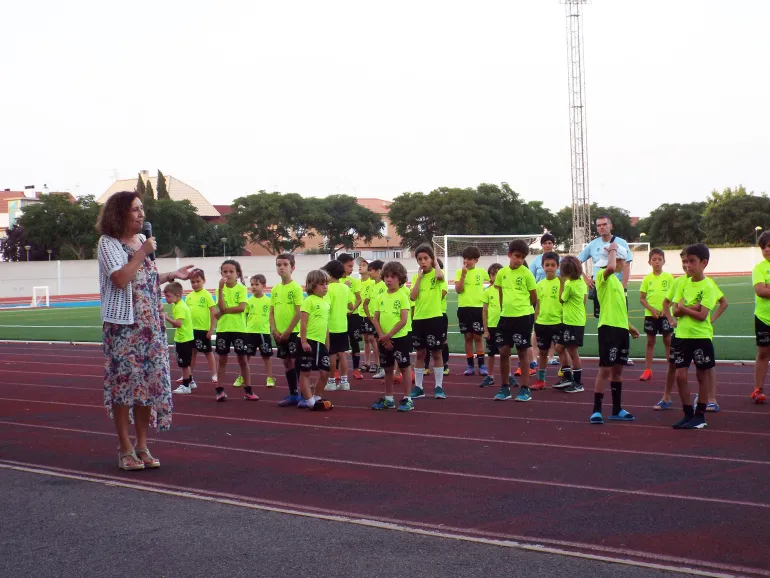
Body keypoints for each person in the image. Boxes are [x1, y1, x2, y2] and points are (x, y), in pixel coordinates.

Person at [97, 190, 193, 471]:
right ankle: (124, 448)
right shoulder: (109, 243)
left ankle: (142, 445)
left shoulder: (141, 241)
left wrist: (170, 276)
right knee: (124, 386)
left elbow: (145, 278)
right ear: (120, 213)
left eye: (142, 209)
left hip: (151, 326)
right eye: (136, 209)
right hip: (124, 327)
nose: (142, 214)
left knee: (148, 386)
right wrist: (142, 252)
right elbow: (120, 278)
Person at [590, 243, 640, 424]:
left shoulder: (618, 284)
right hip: (608, 329)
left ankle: (617, 409)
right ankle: (596, 410)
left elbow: (619, 309)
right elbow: (610, 267)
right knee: (605, 369)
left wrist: (629, 326)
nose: (624, 264)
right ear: (617, 259)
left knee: (618, 370)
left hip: (620, 330)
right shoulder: (602, 276)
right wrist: (611, 249)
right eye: (623, 260)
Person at [670, 243, 718, 429]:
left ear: (704, 262)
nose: (687, 265)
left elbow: (702, 315)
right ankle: (687, 413)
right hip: (682, 336)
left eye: (692, 261)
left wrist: (685, 308)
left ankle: (700, 415)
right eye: (685, 262)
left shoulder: (708, 286)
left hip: (701, 336)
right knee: (680, 376)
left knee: (701, 375)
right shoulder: (682, 282)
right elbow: (675, 310)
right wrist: (692, 306)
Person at [578, 215, 635, 365]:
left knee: (622, 318)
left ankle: (623, 352)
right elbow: (577, 261)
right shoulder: (593, 244)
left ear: (611, 226)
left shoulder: (621, 243)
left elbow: (627, 265)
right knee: (603, 319)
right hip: (601, 288)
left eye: (604, 224)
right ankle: (606, 351)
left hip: (617, 288)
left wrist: (623, 286)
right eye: (599, 225)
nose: (601, 227)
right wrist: (586, 279)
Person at [493, 239, 537, 402]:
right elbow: (501, 295)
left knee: (522, 351)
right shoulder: (502, 273)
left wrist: (524, 310)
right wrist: (506, 309)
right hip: (506, 317)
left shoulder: (527, 274)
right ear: (509, 254)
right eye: (517, 256)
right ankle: (504, 387)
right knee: (503, 351)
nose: (519, 260)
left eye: (523, 257)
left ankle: (525, 389)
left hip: (523, 317)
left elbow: (534, 297)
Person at [370, 261, 414, 411]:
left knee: (404, 368)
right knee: (388, 369)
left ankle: (407, 399)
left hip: (400, 338)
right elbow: (375, 318)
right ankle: (389, 399)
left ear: (400, 278)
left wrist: (388, 335)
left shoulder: (402, 296)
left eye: (393, 276)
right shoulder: (380, 297)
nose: (389, 279)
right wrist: (382, 336)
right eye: (386, 276)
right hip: (384, 339)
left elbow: (403, 320)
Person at [409, 244, 447, 399]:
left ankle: (439, 387)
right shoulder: (416, 277)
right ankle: (419, 387)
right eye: (419, 259)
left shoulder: (438, 274)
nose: (422, 262)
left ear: (432, 259)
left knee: (437, 353)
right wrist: (419, 278)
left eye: (426, 258)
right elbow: (412, 297)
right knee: (420, 353)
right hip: (419, 319)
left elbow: (440, 277)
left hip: (435, 318)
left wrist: (436, 264)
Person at [215, 260, 255, 401]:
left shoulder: (241, 289)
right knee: (222, 360)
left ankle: (248, 390)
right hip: (223, 329)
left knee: (242, 360)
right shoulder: (219, 289)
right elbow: (220, 306)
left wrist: (224, 311)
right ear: (221, 273)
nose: (228, 274)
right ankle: (219, 390)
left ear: (237, 273)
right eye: (225, 271)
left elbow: (241, 307)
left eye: (231, 271)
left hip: (239, 329)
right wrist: (220, 290)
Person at [270, 253, 304, 407]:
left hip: (293, 333)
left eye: (285, 264)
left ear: (293, 267)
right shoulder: (275, 289)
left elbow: (298, 313)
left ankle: (304, 394)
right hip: (279, 333)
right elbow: (271, 311)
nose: (281, 267)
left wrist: (288, 332)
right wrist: (274, 329)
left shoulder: (296, 288)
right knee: (287, 362)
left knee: (298, 362)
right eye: (279, 264)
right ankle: (293, 394)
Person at [298, 269, 333, 411]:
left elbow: (326, 326)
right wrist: (304, 341)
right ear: (312, 285)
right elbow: (303, 322)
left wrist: (327, 343)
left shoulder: (326, 303)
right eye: (321, 284)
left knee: (325, 371)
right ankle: (309, 400)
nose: (325, 287)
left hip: (321, 343)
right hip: (309, 341)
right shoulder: (308, 301)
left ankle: (317, 396)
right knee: (305, 372)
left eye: (326, 284)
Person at [639, 249, 675, 381]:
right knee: (650, 342)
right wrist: (652, 309)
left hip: (666, 315)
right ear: (649, 262)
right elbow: (642, 298)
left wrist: (666, 309)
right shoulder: (647, 279)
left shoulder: (669, 277)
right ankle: (647, 370)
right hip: (651, 315)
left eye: (660, 259)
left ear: (664, 261)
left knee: (668, 341)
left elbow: (674, 297)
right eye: (654, 259)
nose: (657, 262)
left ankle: (671, 369)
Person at [455, 246, 490, 376]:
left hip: (478, 308)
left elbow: (493, 280)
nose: (466, 261)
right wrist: (463, 275)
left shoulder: (481, 272)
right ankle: (470, 365)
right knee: (468, 337)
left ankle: (482, 365)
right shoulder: (460, 272)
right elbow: (458, 290)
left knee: (478, 337)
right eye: (465, 258)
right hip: (464, 308)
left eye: (469, 259)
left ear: (476, 260)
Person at [555, 255, 587, 393]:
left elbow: (561, 300)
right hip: (573, 321)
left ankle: (578, 383)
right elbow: (585, 300)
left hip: (572, 323)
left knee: (573, 352)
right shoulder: (582, 282)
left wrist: (561, 283)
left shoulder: (569, 285)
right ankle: (568, 377)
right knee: (559, 347)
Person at [532, 251, 564, 390]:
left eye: (552, 265)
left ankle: (567, 376)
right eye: (547, 265)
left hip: (558, 322)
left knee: (562, 350)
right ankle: (541, 380)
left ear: (557, 266)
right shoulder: (539, 284)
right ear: (542, 266)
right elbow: (537, 305)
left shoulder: (562, 283)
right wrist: (535, 321)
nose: (549, 267)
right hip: (542, 323)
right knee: (543, 352)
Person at [529, 233, 561, 367]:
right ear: (541, 245)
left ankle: (552, 356)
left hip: (554, 298)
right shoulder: (536, 261)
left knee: (554, 329)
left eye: (550, 242)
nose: (548, 245)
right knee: (538, 329)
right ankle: (535, 358)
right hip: (540, 296)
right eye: (545, 243)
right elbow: (531, 278)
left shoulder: (560, 259)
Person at [322, 259, 352, 392]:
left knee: (331, 355)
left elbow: (326, 307)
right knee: (342, 354)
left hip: (331, 326)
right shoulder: (345, 288)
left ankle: (332, 381)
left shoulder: (327, 289)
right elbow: (350, 305)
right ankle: (345, 381)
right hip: (342, 325)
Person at [184, 269, 218, 385]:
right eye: (192, 282)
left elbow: (213, 313)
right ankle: (189, 375)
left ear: (204, 281)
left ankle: (214, 374)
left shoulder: (207, 295)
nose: (195, 284)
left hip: (203, 330)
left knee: (208, 352)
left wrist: (211, 329)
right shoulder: (188, 297)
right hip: (191, 330)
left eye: (198, 281)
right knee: (192, 353)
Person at [163, 282, 196, 394]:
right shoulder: (178, 305)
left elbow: (178, 324)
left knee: (184, 364)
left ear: (177, 295)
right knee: (186, 362)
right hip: (186, 336)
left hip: (183, 338)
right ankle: (191, 382)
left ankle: (186, 385)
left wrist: (166, 317)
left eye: (168, 296)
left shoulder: (179, 307)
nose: (165, 298)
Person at [242, 274, 275, 387]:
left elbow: (272, 316)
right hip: (250, 332)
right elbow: (244, 317)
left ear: (264, 286)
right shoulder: (248, 301)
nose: (254, 287)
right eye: (252, 284)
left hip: (263, 333)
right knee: (246, 356)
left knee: (266, 356)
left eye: (257, 284)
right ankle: (242, 376)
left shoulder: (269, 301)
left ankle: (270, 378)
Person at [751, 230, 770, 405]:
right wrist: (766, 288)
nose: (767, 250)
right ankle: (758, 389)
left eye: (769, 246)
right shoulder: (759, 268)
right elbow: (761, 291)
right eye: (764, 247)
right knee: (763, 353)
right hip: (764, 318)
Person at [338, 253, 363, 377]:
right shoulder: (334, 281)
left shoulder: (354, 281)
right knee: (338, 343)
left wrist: (353, 310)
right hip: (340, 316)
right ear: (341, 265)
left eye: (352, 266)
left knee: (355, 342)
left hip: (354, 316)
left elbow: (359, 299)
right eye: (349, 266)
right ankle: (336, 371)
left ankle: (356, 369)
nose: (351, 269)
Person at [480, 263, 504, 388]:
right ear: (489, 276)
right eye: (493, 274)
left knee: (504, 352)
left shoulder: (505, 290)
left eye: (498, 274)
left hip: (504, 326)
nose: (495, 277)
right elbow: (484, 311)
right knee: (490, 353)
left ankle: (508, 375)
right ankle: (490, 376)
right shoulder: (487, 291)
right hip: (491, 326)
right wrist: (485, 329)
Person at [364, 260, 386, 378]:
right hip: (374, 320)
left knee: (387, 344)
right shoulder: (371, 285)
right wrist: (370, 318)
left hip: (384, 320)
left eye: (370, 270)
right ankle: (381, 367)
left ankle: (392, 369)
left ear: (378, 271)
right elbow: (365, 303)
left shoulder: (385, 285)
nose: (369, 273)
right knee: (377, 343)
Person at [357, 258, 374, 377]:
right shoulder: (357, 283)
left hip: (370, 314)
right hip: (360, 313)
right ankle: (367, 362)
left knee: (373, 339)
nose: (360, 266)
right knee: (366, 339)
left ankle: (377, 363)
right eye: (360, 265)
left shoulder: (372, 282)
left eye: (364, 265)